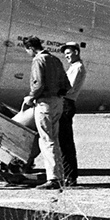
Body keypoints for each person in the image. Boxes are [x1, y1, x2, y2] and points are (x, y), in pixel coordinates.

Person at [22, 36, 70, 190]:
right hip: (58, 102)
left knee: (46, 140)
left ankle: (54, 178)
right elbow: (66, 84)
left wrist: (31, 97)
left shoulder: (38, 60)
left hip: (45, 103)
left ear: (30, 48)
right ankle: (60, 175)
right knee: (54, 139)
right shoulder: (55, 60)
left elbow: (38, 83)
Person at [60, 42, 87, 187]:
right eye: (65, 55)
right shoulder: (73, 67)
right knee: (63, 142)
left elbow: (68, 89)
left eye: (69, 54)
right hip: (65, 103)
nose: (67, 57)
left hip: (66, 103)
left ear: (76, 52)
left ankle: (70, 177)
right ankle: (67, 175)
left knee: (65, 142)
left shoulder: (78, 68)